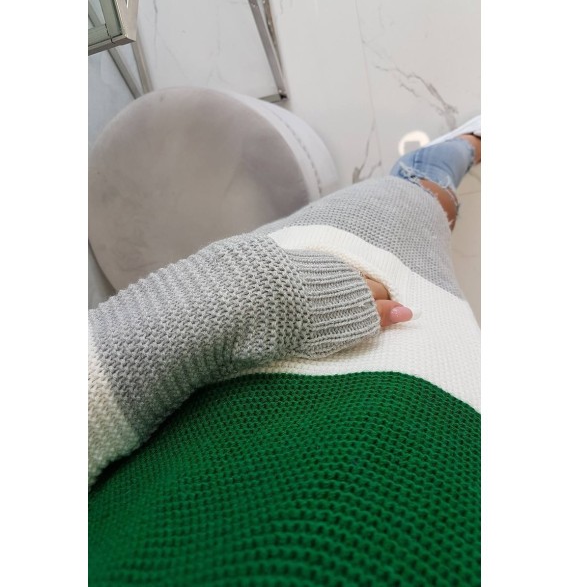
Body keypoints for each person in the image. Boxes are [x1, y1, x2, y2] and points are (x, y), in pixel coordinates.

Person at [89, 116, 481, 586]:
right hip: (435, 417)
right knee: (424, 215)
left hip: (219, 408)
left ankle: (452, 154)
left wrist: (247, 293)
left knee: (411, 199)